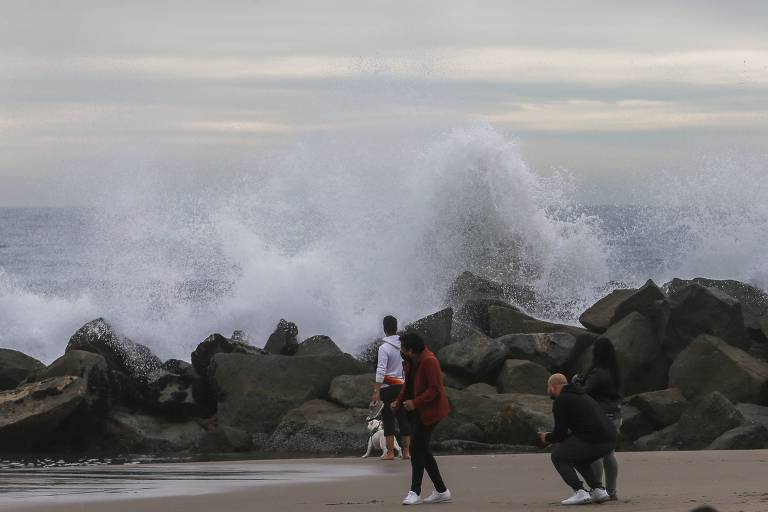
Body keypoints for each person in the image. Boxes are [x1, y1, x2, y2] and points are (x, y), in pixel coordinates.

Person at [392, 331, 452, 505]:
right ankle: (441, 490)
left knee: (417, 448)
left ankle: (415, 492)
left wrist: (415, 403)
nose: (401, 351)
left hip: (432, 412)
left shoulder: (429, 361)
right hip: (420, 411)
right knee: (422, 449)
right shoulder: (412, 361)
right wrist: (399, 401)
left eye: (402, 348)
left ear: (410, 349)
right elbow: (408, 385)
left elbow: (435, 389)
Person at [539, 373, 617, 506]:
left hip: (595, 439)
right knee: (577, 457)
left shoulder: (561, 400)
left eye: (548, 388)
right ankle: (598, 490)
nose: (548, 391)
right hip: (610, 440)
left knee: (558, 456)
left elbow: (560, 434)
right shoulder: (583, 395)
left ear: (552, 387)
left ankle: (579, 491)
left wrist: (547, 437)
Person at [574, 338, 622, 501]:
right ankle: (611, 491)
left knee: (596, 454)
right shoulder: (614, 371)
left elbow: (585, 392)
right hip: (616, 415)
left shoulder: (597, 372)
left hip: (602, 416)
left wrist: (576, 383)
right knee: (609, 454)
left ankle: (597, 489)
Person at [371, 315, 410, 460]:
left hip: (388, 387)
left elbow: (381, 370)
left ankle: (390, 452)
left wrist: (376, 390)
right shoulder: (403, 346)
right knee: (403, 418)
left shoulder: (384, 348)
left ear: (384, 329)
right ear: (396, 327)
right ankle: (406, 452)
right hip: (401, 385)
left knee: (388, 418)